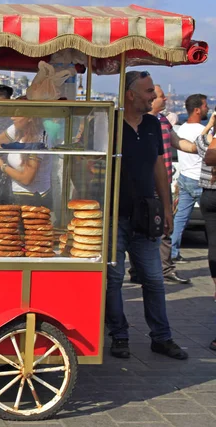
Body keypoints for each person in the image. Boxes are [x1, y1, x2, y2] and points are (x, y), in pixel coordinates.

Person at [106, 71, 186, 360]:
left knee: (153, 279)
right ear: (131, 94)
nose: (153, 96)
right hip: (114, 215)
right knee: (113, 280)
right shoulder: (110, 123)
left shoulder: (153, 124)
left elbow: (159, 169)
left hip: (145, 215)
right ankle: (119, 335)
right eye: (149, 91)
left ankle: (162, 337)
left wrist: (166, 208)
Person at [129, 85, 189, 285]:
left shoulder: (162, 121)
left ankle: (164, 267)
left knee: (162, 227)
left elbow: (178, 142)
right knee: (142, 226)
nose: (162, 99)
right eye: (159, 96)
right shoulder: (136, 123)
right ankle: (140, 269)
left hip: (162, 183)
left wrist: (201, 146)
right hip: (145, 185)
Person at [170, 94, 208, 263]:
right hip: (200, 179)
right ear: (197, 109)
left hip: (184, 177)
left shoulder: (181, 129)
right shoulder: (203, 131)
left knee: (180, 218)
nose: (207, 109)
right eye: (206, 106)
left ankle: (172, 252)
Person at [0, 115, 52, 208]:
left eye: (18, 115)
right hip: (14, 194)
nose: (12, 118)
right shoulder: (16, 129)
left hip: (34, 198)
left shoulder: (40, 140)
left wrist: (2, 166)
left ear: (30, 118)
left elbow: (26, 179)